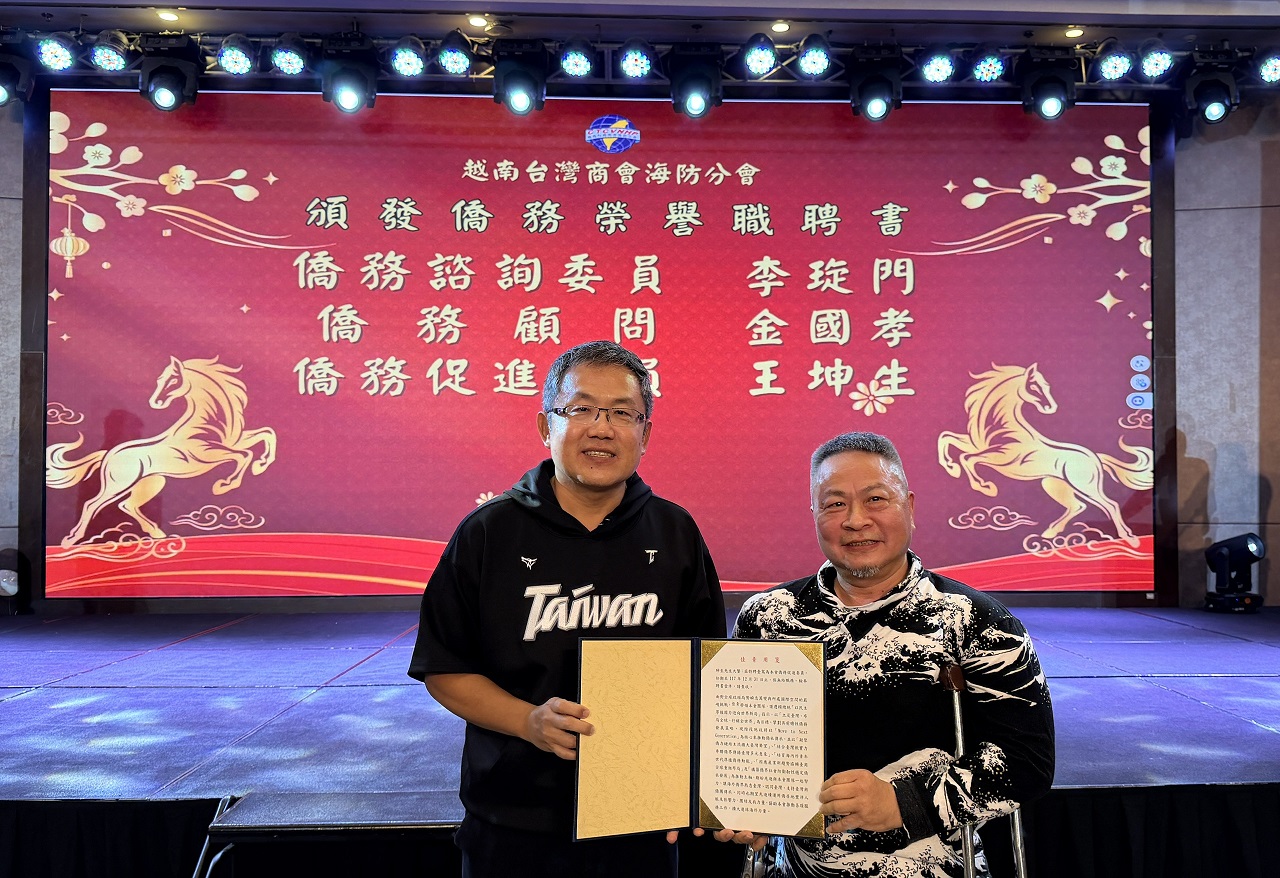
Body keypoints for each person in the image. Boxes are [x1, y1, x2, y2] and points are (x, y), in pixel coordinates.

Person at [408, 340, 726, 878]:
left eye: (622, 413)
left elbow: (707, 668)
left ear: (645, 434)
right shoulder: (488, 533)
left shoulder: (676, 533)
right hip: (513, 820)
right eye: (581, 409)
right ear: (545, 426)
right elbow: (444, 668)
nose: (601, 428)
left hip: (641, 819)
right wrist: (527, 721)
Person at [719, 431, 1054, 878]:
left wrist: (904, 801)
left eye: (876, 499)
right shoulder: (768, 617)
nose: (856, 520)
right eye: (834, 504)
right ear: (815, 515)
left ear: (909, 507)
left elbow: (1028, 761)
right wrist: (740, 806)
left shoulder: (976, 620)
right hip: (797, 868)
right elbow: (739, 742)